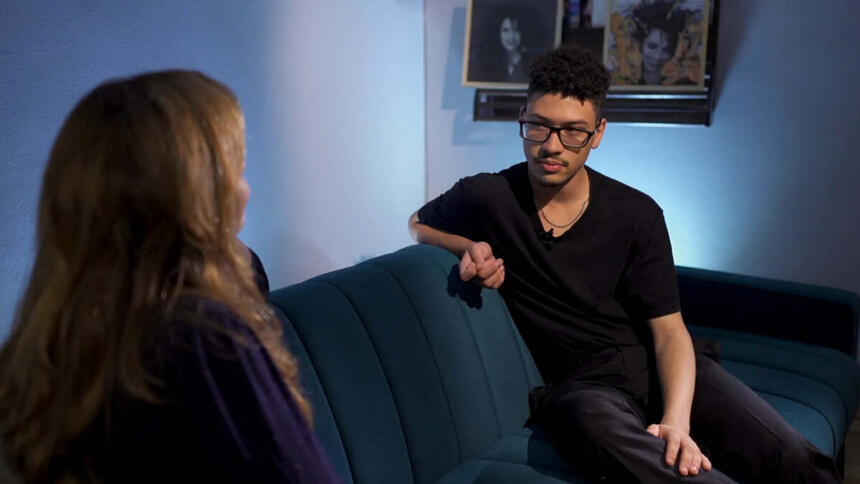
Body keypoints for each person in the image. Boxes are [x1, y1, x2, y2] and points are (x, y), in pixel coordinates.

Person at [409, 45, 840, 483]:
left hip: (654, 366)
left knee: (793, 457)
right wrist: (467, 245)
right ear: (522, 118)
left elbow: (670, 332)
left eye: (573, 132)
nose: (551, 146)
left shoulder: (637, 214)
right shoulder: (490, 195)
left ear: (598, 133)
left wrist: (676, 422)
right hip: (584, 388)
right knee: (647, 457)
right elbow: (418, 224)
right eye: (538, 127)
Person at [0, 71, 341, 483]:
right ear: (196, 193)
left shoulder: (38, 349)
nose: (244, 190)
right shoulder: (201, 338)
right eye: (236, 171)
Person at [630, 0, 692, 85]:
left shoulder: (684, 81)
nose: (657, 56)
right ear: (641, 42)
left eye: (666, 50)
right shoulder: (623, 78)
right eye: (652, 46)